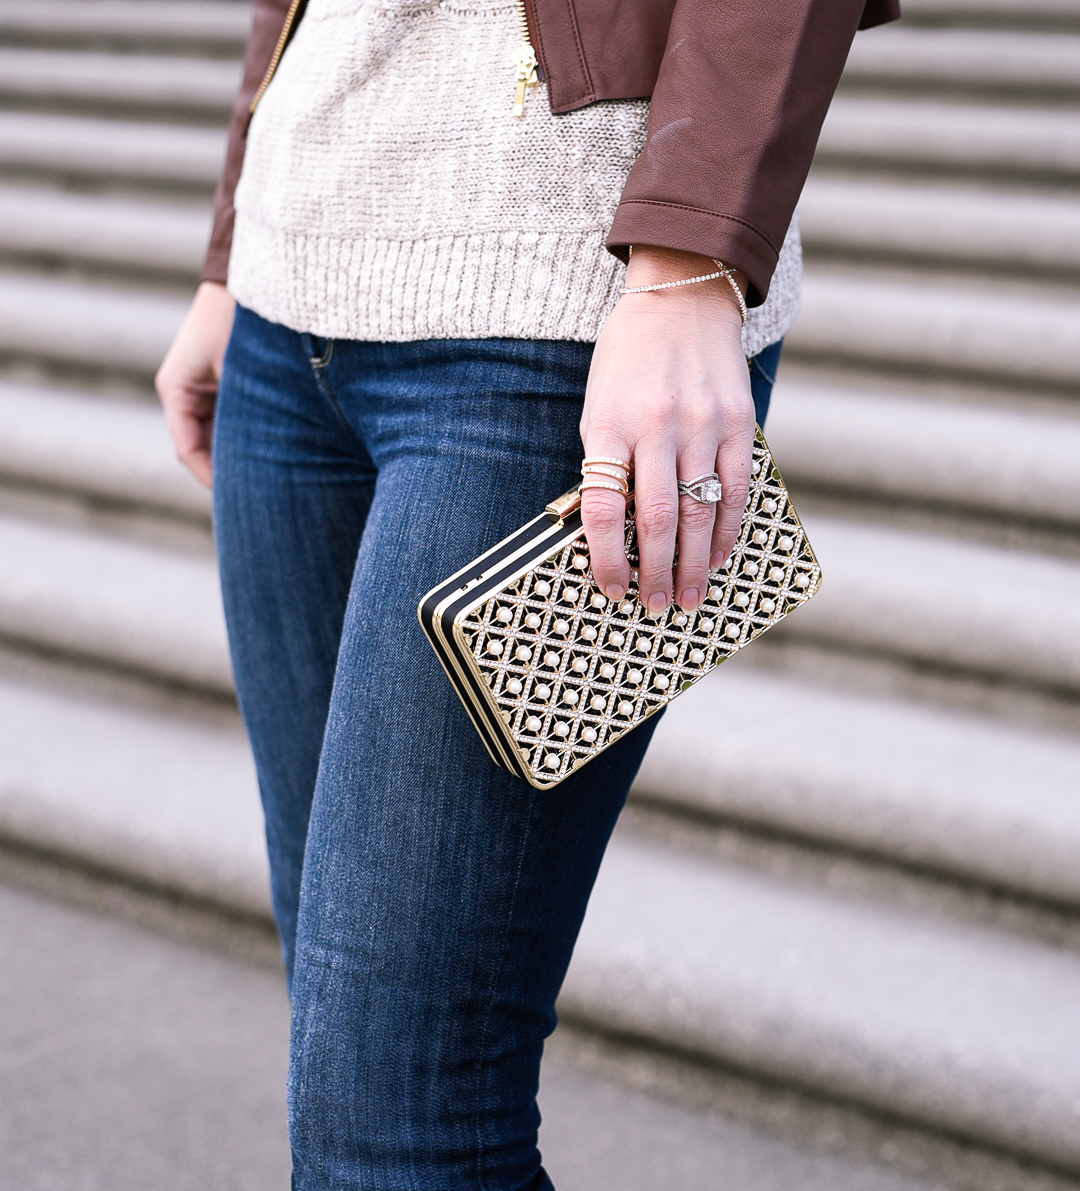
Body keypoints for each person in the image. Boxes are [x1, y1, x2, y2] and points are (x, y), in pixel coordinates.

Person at [156, 0, 897, 1185]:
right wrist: (224, 254)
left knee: (399, 1116)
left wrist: (688, 264)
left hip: (555, 308)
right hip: (286, 299)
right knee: (349, 1049)